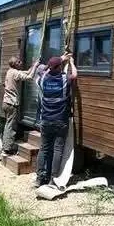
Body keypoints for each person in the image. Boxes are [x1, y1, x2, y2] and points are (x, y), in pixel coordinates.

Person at [35, 53, 77, 188]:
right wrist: (71, 62)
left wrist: (58, 60)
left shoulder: (42, 80)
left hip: (45, 120)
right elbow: (75, 75)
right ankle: (53, 178)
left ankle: (40, 178)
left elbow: (46, 71)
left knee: (44, 149)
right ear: (60, 67)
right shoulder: (64, 80)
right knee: (58, 149)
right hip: (60, 121)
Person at [1, 57, 42, 156]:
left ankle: (6, 146)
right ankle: (7, 149)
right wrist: (36, 66)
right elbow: (29, 77)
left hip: (6, 102)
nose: (21, 62)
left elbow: (27, 72)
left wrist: (33, 65)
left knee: (8, 124)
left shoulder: (10, 71)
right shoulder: (15, 73)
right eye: (19, 62)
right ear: (15, 64)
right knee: (11, 126)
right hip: (12, 103)